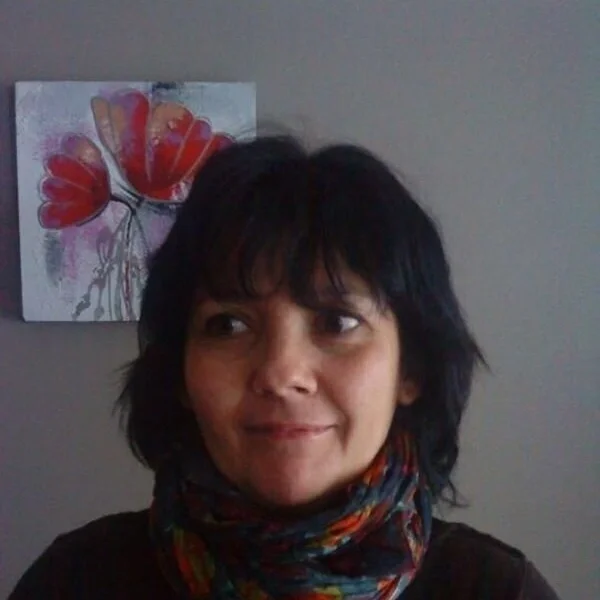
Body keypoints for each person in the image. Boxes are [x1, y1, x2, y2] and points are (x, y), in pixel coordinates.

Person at [10, 136, 560, 599]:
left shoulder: (495, 590)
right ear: (180, 372)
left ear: (410, 368)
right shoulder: (77, 581)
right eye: (229, 325)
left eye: (337, 322)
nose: (280, 372)